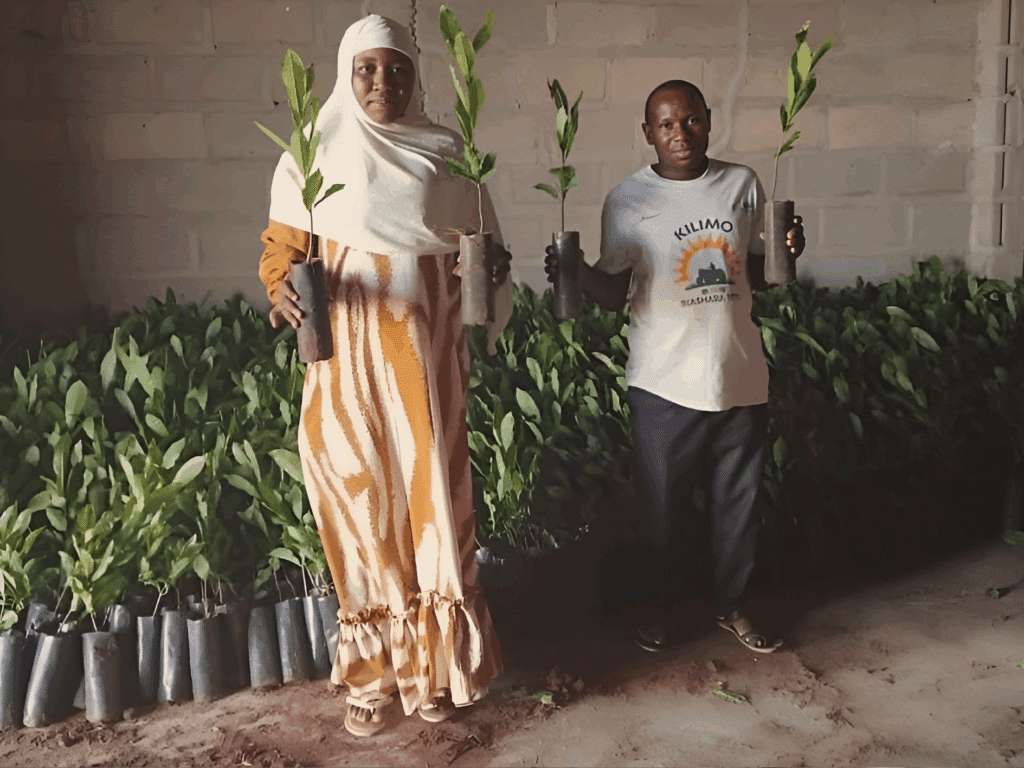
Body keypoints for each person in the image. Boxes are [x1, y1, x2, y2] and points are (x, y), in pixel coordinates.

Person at [257, 15, 513, 737]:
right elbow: (282, 250)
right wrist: (280, 285)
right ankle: (372, 674)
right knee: (360, 507)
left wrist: (493, 269)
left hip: (427, 368)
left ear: (416, 76)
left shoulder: (446, 153)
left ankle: (433, 669)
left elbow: (485, 256)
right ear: (344, 74)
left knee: (435, 505)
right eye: (367, 69)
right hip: (344, 366)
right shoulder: (313, 157)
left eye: (396, 70)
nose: (382, 83)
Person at [544, 79, 804, 654]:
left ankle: (732, 605)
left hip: (738, 374)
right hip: (662, 381)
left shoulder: (743, 185)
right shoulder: (628, 199)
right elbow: (614, 294)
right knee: (661, 512)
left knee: (738, 506)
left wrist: (791, 248)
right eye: (666, 125)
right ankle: (660, 610)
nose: (679, 134)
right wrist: (573, 271)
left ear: (709, 120)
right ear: (647, 134)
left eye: (689, 121)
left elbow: (753, 273)